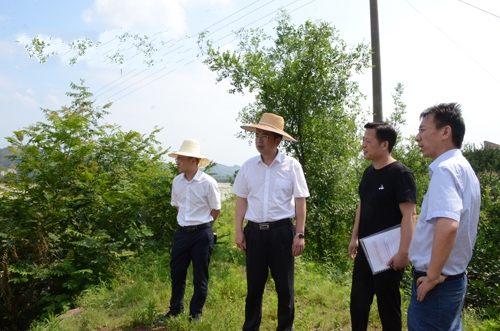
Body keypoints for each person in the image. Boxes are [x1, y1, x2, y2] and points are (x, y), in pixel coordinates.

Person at [232, 113, 309, 331]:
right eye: (257, 135)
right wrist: (238, 231)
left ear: (277, 141)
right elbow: (241, 200)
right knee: (254, 289)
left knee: (285, 289)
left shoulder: (291, 166)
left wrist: (299, 234)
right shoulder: (248, 166)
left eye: (265, 136)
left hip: (282, 233)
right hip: (254, 233)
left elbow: (300, 201)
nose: (259, 140)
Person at [408, 103, 481, 330]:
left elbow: (449, 226)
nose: (417, 138)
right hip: (453, 280)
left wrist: (432, 276)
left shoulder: (446, 169)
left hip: (437, 286)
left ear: (445, 132)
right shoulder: (464, 168)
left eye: (422, 130)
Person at [348, 122, 417, 331]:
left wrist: (404, 252)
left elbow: (410, 214)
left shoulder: (401, 174)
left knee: (388, 308)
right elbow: (362, 204)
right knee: (358, 304)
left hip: (388, 255)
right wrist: (354, 237)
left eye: (368, 141)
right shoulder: (368, 173)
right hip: (365, 250)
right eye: (363, 140)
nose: (363, 145)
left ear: (384, 144)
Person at [158, 138, 221, 323]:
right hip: (182, 233)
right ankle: (175, 310)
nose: (177, 162)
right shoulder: (177, 181)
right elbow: (178, 206)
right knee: (176, 273)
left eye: (181, 159)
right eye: (177, 159)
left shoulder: (208, 182)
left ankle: (196, 314)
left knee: (200, 276)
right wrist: (187, 222)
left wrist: (203, 225)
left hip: (202, 234)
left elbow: (215, 209)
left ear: (194, 161)